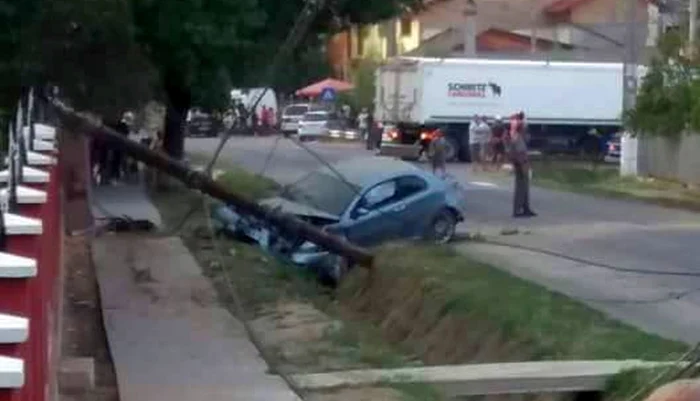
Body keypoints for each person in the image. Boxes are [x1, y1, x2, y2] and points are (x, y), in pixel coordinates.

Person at [508, 111, 536, 218]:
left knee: (525, 187)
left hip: (520, 163)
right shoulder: (518, 138)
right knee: (521, 187)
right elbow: (520, 154)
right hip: (521, 164)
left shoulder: (516, 135)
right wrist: (525, 166)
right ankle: (517, 210)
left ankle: (525, 208)